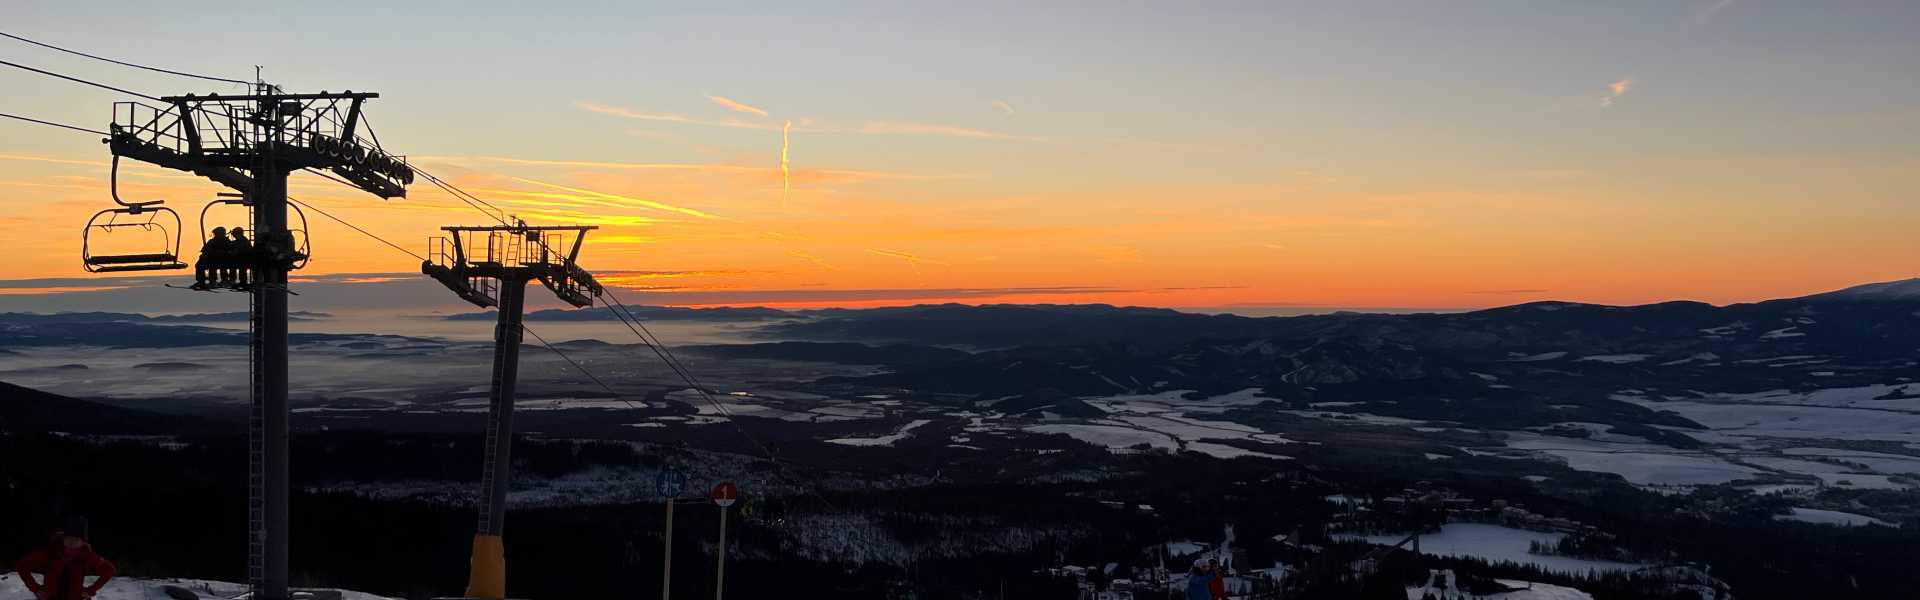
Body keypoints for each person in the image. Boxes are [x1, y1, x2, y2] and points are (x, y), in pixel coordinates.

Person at [14, 518, 115, 600]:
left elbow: (109, 570)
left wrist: (90, 590)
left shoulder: (88, 556)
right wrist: (35, 589)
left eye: (76, 539)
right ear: (63, 538)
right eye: (68, 538)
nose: (71, 542)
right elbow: (22, 565)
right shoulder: (50, 552)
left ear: (83, 542)